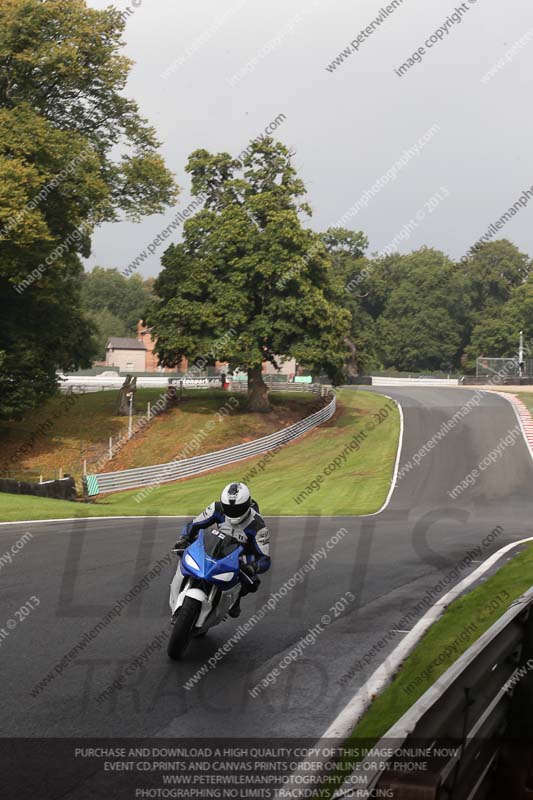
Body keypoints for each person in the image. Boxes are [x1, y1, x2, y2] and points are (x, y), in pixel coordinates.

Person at [173, 482, 270, 618]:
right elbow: (193, 525)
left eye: (238, 508)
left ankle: (235, 600)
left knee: (252, 582)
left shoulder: (258, 525)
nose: (232, 512)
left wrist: (253, 567)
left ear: (247, 505)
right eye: (229, 508)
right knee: (183, 550)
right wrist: (183, 538)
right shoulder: (216, 508)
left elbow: (265, 558)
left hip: (240, 553)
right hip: (216, 543)